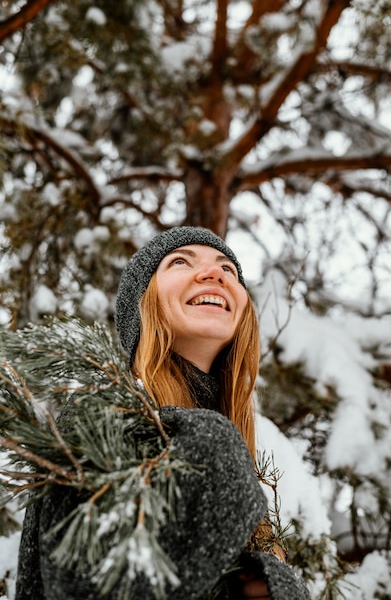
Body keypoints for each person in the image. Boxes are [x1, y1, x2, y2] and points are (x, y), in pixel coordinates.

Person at [15, 226, 310, 600]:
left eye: (228, 270)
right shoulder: (102, 413)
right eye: (180, 262)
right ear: (143, 303)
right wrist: (214, 442)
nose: (214, 273)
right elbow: (89, 585)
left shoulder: (223, 440)